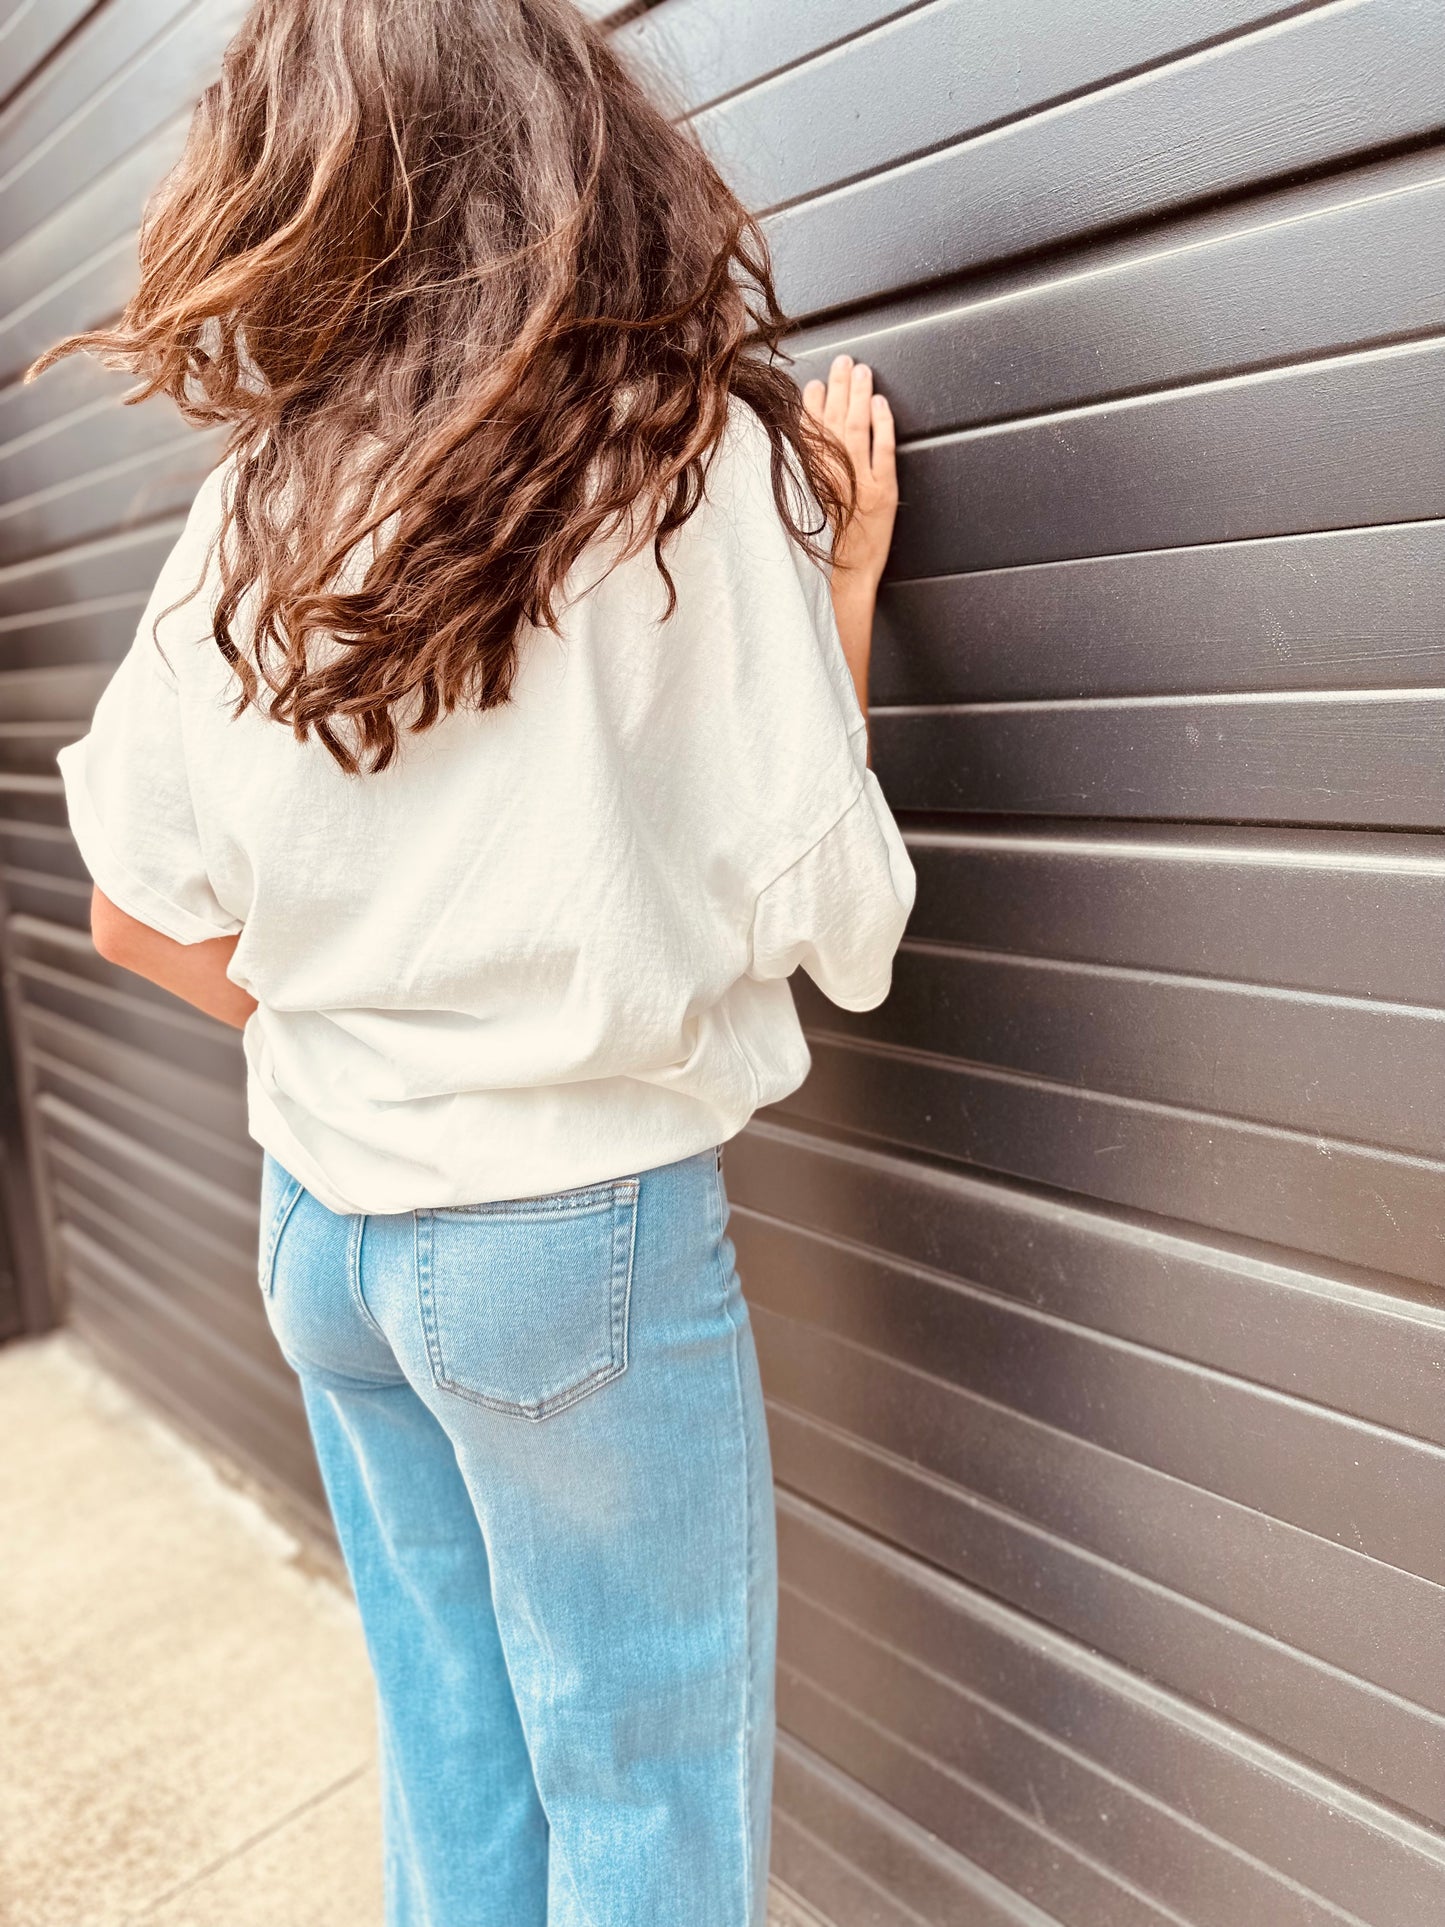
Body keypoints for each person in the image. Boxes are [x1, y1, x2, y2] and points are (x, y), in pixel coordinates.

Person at [37, 3, 914, 1922]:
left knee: (456, 1746)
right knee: (648, 1787)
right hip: (562, 1252)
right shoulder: (673, 470)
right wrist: (840, 588)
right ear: (572, 151)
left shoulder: (253, 511)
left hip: (327, 1233)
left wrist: (380, 1020)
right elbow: (825, 913)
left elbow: (130, 910)